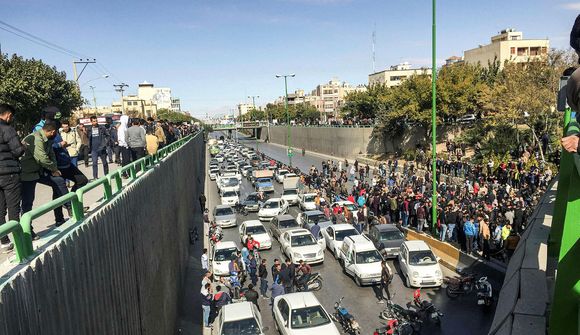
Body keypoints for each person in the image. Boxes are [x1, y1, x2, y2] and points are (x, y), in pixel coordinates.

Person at [20, 121, 69, 231]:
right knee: (27, 202)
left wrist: (54, 169)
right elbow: (41, 158)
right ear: (52, 131)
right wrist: (53, 169)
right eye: (56, 132)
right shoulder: (36, 138)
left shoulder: (48, 139)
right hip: (27, 173)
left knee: (59, 181)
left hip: (39, 170)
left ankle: (69, 206)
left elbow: (51, 154)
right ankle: (27, 229)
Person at [0, 104, 26, 251]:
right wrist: (23, 146)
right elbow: (17, 152)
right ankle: (18, 241)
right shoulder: (7, 129)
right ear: (8, 115)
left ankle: (4, 241)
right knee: (13, 208)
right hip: (9, 174)